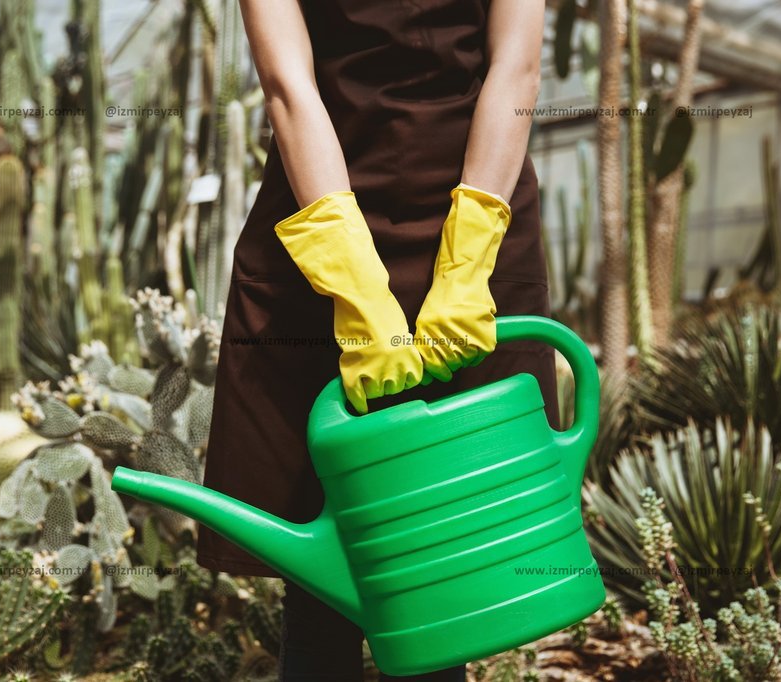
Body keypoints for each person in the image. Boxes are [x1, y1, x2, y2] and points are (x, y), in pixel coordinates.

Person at [195, 0, 554, 679]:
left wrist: (465, 263)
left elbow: (518, 67)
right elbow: (287, 86)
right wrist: (354, 285)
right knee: (321, 559)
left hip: (479, 197)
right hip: (320, 212)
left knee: (445, 549)